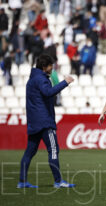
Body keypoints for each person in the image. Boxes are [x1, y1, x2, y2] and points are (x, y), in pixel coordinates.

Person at [18, 54, 75, 188]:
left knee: (29, 152)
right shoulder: (41, 79)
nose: (52, 68)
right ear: (45, 67)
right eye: (51, 66)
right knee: (53, 150)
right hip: (44, 121)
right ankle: (58, 181)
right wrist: (65, 82)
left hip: (34, 121)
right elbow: (48, 92)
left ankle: (22, 181)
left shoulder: (32, 79)